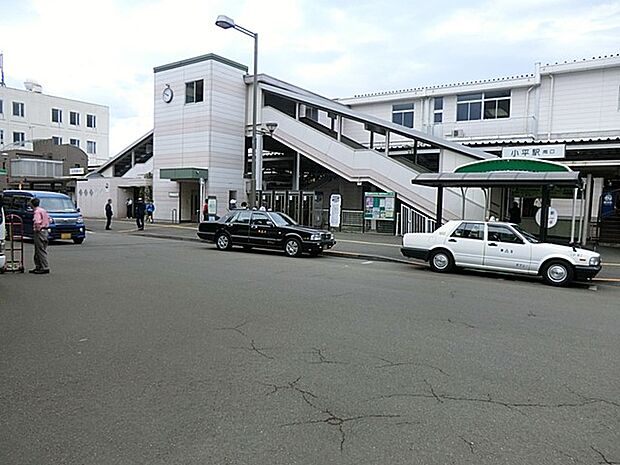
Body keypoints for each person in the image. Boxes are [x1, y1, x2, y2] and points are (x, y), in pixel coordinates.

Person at [29, 197, 50, 274]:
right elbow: (49, 219)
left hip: (40, 232)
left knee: (40, 250)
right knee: (39, 249)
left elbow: (37, 222)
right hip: (45, 230)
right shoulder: (43, 210)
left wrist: (37, 229)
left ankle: (44, 267)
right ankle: (38, 266)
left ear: (32, 204)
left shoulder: (37, 212)